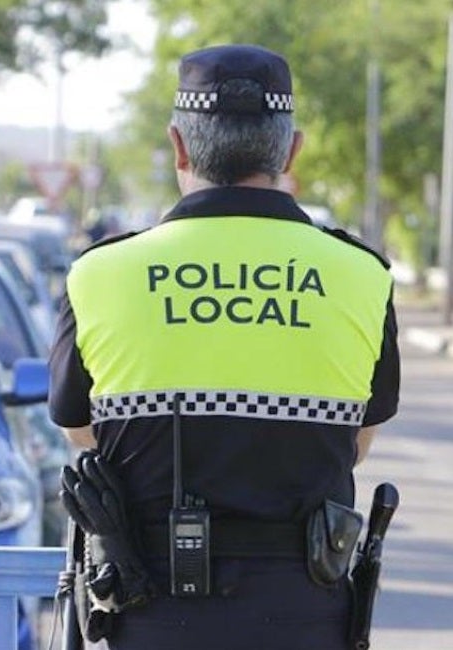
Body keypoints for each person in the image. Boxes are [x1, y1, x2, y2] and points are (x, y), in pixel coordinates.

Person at [48, 44, 400, 650]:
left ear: (179, 146)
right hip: (304, 615)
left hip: (148, 613)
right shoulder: (362, 275)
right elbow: (358, 443)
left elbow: (82, 433)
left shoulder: (99, 275)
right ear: (291, 151)